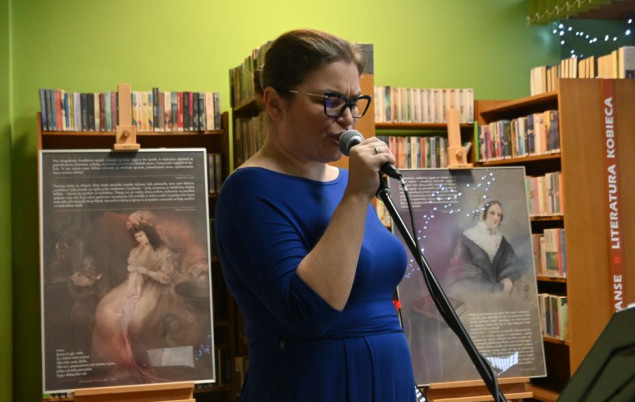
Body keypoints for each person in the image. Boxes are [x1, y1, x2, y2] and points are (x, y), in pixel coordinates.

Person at [215, 29, 416, 401]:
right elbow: (308, 312)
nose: (348, 118)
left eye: (354, 102)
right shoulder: (249, 189)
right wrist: (356, 197)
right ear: (275, 103)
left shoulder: (347, 183)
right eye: (331, 101)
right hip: (313, 386)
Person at [91, 211, 198, 380]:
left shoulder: (163, 251)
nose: (140, 239)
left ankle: (143, 362)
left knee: (137, 320)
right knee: (106, 309)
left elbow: (165, 277)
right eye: (137, 237)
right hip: (136, 286)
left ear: (149, 233)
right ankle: (119, 360)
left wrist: (144, 271)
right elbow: (133, 273)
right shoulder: (137, 251)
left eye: (141, 235)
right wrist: (134, 281)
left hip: (158, 288)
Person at [445, 200, 522, 296]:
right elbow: (461, 271)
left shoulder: (501, 240)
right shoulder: (466, 238)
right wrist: (494, 287)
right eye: (492, 213)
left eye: (499, 215)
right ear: (483, 214)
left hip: (498, 292)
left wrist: (509, 278)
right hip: (473, 291)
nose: (496, 218)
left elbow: (513, 264)